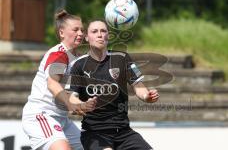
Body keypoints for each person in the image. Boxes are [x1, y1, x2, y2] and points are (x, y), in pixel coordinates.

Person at [70, 20, 159, 150]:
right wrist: (81, 105)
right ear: (87, 37)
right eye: (94, 31)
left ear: (109, 35)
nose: (100, 35)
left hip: (124, 132)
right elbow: (71, 97)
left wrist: (147, 96)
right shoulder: (78, 65)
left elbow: (138, 85)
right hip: (94, 133)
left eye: (103, 31)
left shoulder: (122, 58)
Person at [22, 9, 97, 150]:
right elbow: (52, 83)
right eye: (75, 30)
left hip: (61, 119)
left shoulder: (79, 59)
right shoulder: (59, 54)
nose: (80, 33)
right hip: (41, 115)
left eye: (82, 30)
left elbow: (72, 93)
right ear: (62, 33)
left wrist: (82, 104)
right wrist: (70, 104)